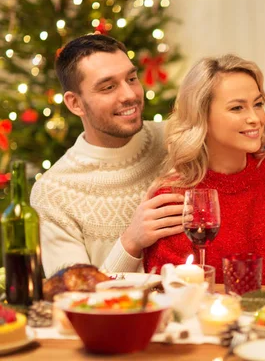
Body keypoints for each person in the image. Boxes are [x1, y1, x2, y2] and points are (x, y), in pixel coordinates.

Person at [143, 55, 265, 285]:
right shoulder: (173, 198)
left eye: (258, 104)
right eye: (237, 108)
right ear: (201, 115)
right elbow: (169, 293)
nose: (255, 118)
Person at [31, 35, 185, 276]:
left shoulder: (177, 139)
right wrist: (131, 243)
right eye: (108, 87)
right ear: (75, 104)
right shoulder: (53, 193)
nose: (129, 95)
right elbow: (77, 298)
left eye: (131, 79)